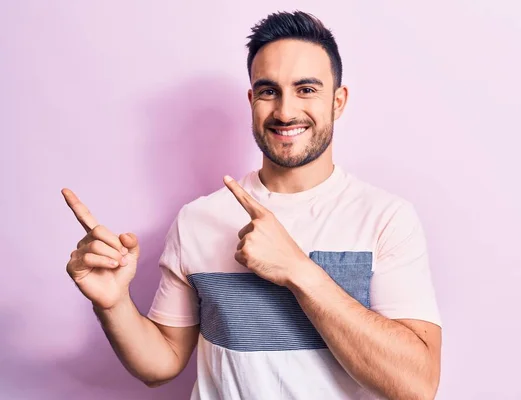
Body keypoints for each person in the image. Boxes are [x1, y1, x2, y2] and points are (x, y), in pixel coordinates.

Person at [62, 10, 442, 400]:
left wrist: (298, 270)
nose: (285, 111)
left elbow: (415, 386)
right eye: (268, 91)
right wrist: (113, 305)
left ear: (338, 101)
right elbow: (163, 363)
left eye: (306, 89)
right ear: (252, 100)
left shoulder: (386, 218)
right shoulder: (198, 219)